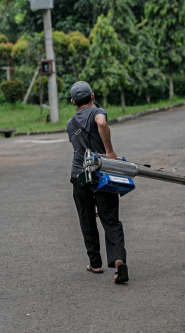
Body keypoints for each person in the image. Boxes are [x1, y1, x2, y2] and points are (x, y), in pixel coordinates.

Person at [66, 81, 129, 284]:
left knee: (87, 220)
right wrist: (109, 151)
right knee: (110, 219)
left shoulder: (70, 124)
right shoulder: (97, 111)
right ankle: (119, 262)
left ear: (73, 102)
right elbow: (101, 123)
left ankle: (95, 264)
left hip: (80, 176)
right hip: (103, 175)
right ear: (92, 96)